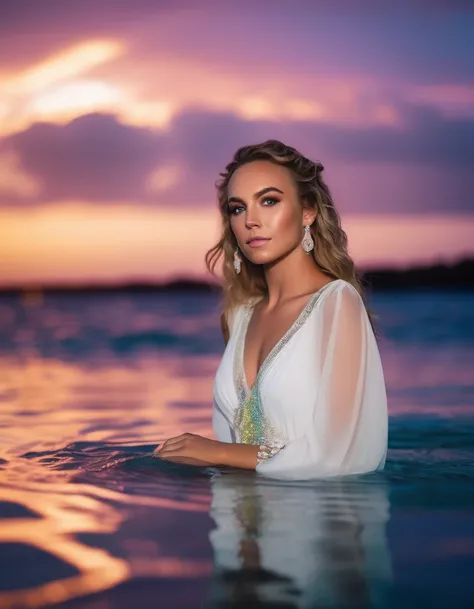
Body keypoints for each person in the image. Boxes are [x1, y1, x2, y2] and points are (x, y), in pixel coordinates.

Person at [154, 140, 388, 480]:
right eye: (238, 208)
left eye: (269, 201)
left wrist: (216, 452)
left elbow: (343, 455)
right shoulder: (240, 316)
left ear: (307, 211)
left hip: (313, 521)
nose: (251, 220)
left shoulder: (336, 303)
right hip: (238, 523)